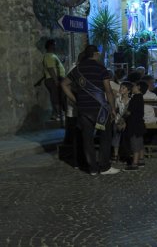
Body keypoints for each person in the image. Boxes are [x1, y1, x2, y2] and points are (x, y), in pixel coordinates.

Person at [61, 45, 120, 175]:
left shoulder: (78, 69)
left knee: (87, 139)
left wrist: (75, 99)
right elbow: (108, 90)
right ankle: (104, 166)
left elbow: (64, 84)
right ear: (96, 54)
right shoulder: (100, 68)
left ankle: (92, 168)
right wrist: (112, 108)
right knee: (105, 137)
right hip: (100, 109)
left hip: (84, 109)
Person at [123, 82, 146, 170]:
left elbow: (129, 111)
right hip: (140, 123)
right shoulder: (140, 97)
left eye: (134, 86)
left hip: (134, 124)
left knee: (135, 144)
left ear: (138, 87)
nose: (132, 87)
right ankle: (141, 160)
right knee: (140, 142)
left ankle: (134, 163)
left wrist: (123, 117)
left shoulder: (135, 98)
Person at [43, 39, 66, 121]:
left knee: (55, 96)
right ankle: (59, 114)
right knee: (56, 97)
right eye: (54, 44)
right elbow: (50, 68)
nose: (55, 46)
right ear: (50, 45)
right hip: (53, 80)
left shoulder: (51, 56)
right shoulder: (49, 56)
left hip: (54, 79)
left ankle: (55, 114)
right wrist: (56, 80)